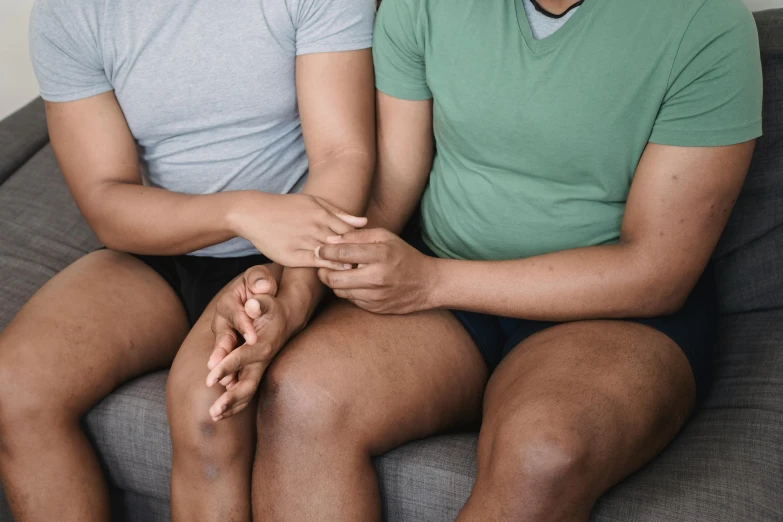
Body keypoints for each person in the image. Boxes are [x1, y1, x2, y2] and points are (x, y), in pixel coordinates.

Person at [206, 0, 763, 520]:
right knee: (299, 397)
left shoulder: (705, 26)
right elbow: (392, 186)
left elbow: (657, 272)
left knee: (543, 451)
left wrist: (431, 283)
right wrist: (293, 299)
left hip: (615, 317)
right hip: (445, 287)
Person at [0, 0, 376, 520]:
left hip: (290, 251)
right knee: (11, 385)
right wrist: (241, 211)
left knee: (209, 409)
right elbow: (107, 199)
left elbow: (344, 156)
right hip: (163, 243)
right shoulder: (71, 13)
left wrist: (293, 276)